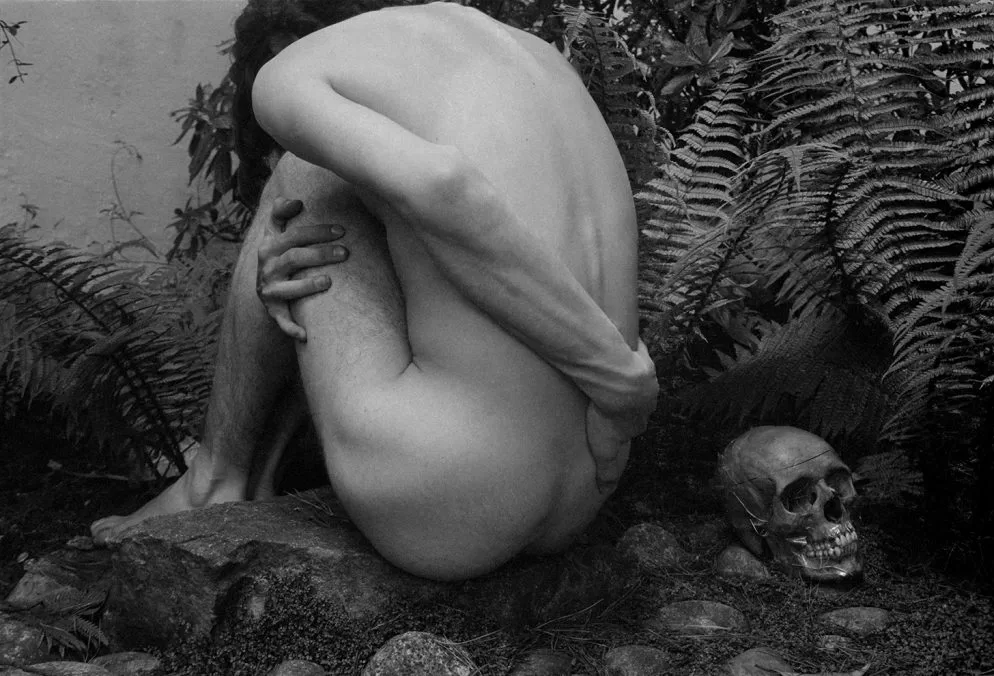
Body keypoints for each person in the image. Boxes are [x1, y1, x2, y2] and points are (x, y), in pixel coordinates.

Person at [91, 0, 658, 581]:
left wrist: (619, 380)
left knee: (305, 176)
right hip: (586, 490)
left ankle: (212, 481)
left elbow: (445, 188)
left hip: (449, 496)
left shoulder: (289, 74)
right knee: (377, 194)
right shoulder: (531, 55)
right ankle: (254, 471)